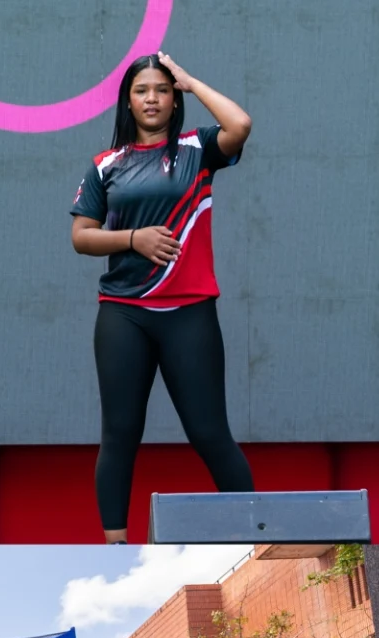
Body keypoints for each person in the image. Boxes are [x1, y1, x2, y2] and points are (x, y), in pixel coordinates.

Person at [70, 52, 253, 542]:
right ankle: (113, 548)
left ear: (174, 101)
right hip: (124, 316)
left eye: (162, 90)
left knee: (210, 433)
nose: (152, 98)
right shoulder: (105, 165)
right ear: (128, 103)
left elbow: (240, 123)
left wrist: (193, 80)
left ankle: (254, 535)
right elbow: (82, 237)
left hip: (189, 313)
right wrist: (133, 239)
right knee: (119, 436)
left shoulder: (199, 149)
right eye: (141, 91)